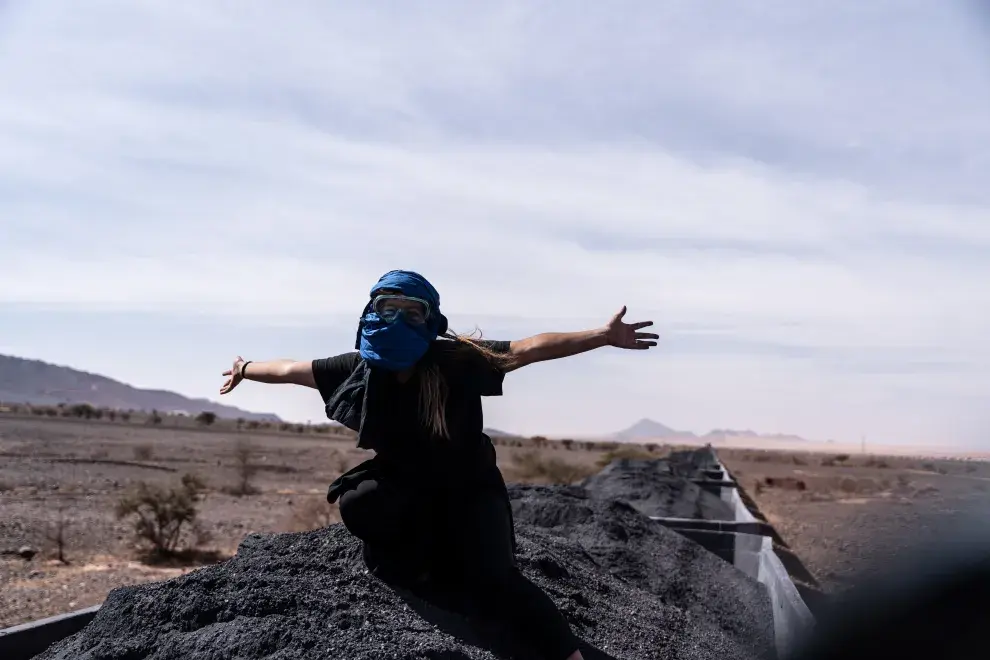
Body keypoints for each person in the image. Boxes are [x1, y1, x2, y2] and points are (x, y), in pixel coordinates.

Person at [219, 270, 658, 660]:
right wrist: (245, 367)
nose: (396, 318)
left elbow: (529, 348)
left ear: (430, 321)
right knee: (358, 502)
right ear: (369, 312)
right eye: (386, 307)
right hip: (407, 483)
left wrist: (600, 336)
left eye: (412, 311)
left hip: (471, 487)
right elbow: (291, 369)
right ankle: (418, 560)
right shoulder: (358, 370)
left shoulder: (456, 361)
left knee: (494, 584)